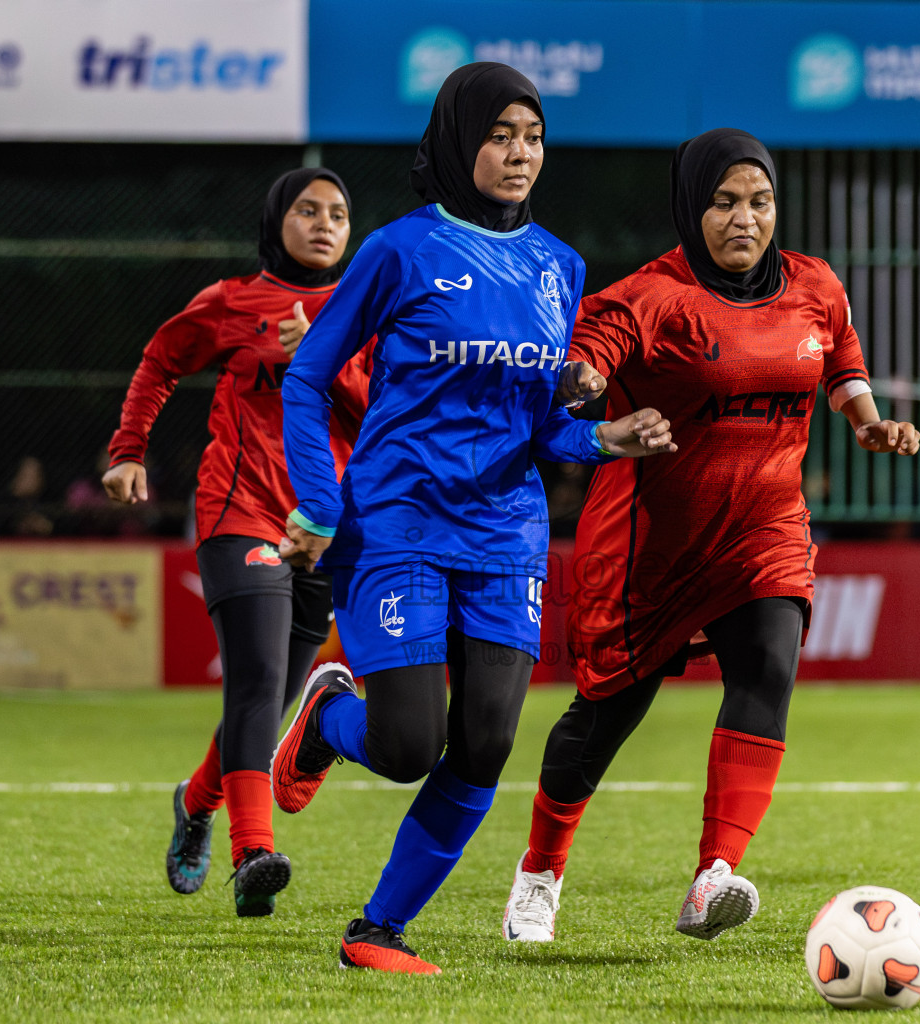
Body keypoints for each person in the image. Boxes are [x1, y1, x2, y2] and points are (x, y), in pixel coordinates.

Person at [271, 63, 676, 975]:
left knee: (487, 742)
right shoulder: (399, 250)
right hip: (399, 521)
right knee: (408, 745)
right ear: (460, 142)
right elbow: (307, 377)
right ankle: (330, 718)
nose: (519, 153)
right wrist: (320, 504)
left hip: (505, 534)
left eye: (533, 137)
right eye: (499, 136)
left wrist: (605, 438)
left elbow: (539, 427)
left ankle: (377, 931)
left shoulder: (559, 266)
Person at [500, 128, 920, 945]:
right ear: (693, 208)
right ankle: (539, 874)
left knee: (768, 666)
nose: (744, 219)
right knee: (604, 717)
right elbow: (583, 363)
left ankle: (712, 877)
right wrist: (583, 383)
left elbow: (839, 359)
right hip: (651, 546)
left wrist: (866, 421)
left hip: (765, 530)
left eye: (759, 201)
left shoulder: (815, 283)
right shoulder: (649, 296)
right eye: (724, 202)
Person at [102, 167, 371, 917]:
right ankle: (254, 852)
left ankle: (195, 803)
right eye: (307, 210)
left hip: (324, 528)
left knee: (275, 696)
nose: (324, 224)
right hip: (240, 510)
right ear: (277, 222)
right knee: (255, 679)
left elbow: (383, 412)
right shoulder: (232, 302)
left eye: (338, 214)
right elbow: (161, 360)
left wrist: (322, 357)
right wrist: (128, 449)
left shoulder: (369, 313)